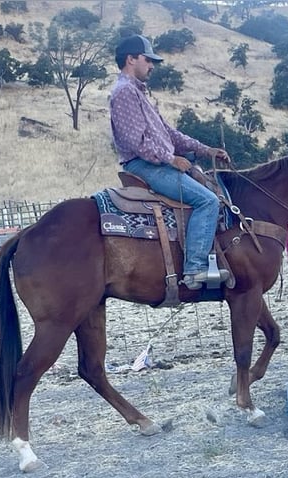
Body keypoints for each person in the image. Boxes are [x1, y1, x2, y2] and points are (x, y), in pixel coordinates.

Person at [109, 34, 231, 290]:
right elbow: (136, 142)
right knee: (207, 200)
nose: (152, 65)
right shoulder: (124, 93)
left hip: (157, 163)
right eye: (147, 59)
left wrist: (205, 149)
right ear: (131, 59)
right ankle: (195, 268)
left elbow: (169, 133)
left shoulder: (139, 93)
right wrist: (170, 159)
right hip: (145, 166)